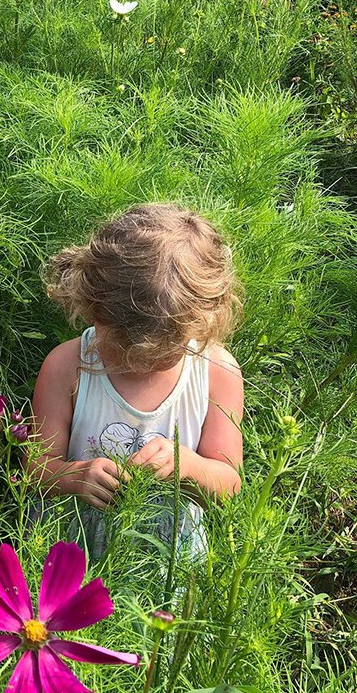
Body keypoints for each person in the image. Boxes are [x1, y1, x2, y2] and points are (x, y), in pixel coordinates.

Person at [30, 203, 244, 556]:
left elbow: (230, 484)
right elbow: (36, 468)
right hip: (73, 548)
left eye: (157, 358)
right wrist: (74, 476)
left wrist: (185, 466)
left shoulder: (216, 373)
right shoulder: (67, 366)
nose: (138, 367)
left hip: (168, 556)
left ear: (200, 326)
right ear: (93, 307)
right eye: (119, 350)